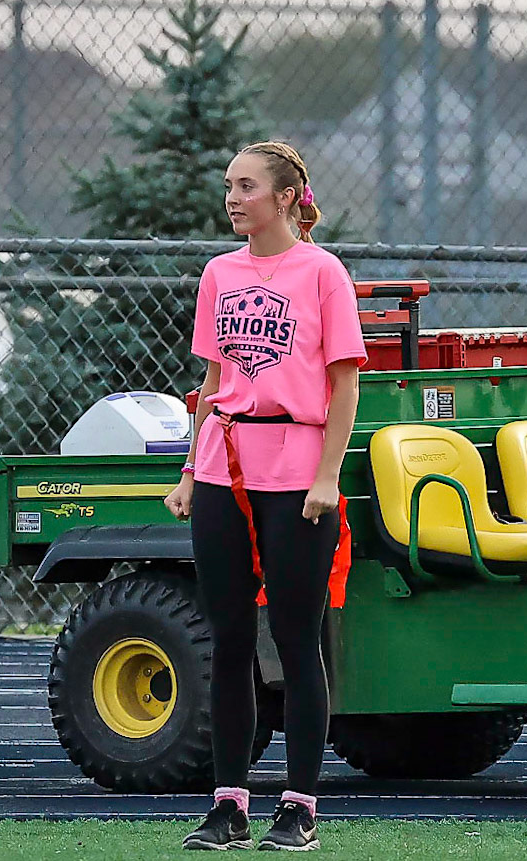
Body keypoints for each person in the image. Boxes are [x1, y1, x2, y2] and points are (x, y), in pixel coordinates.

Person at [164, 140, 366, 852]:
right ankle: (228, 805)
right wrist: (190, 471)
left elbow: (344, 382)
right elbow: (214, 381)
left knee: (296, 638)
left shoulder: (323, 272)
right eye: (229, 185)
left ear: (285, 197)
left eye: (246, 186)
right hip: (225, 466)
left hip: (298, 473)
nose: (232, 198)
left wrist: (327, 475)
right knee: (227, 641)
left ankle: (298, 808)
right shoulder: (219, 273)